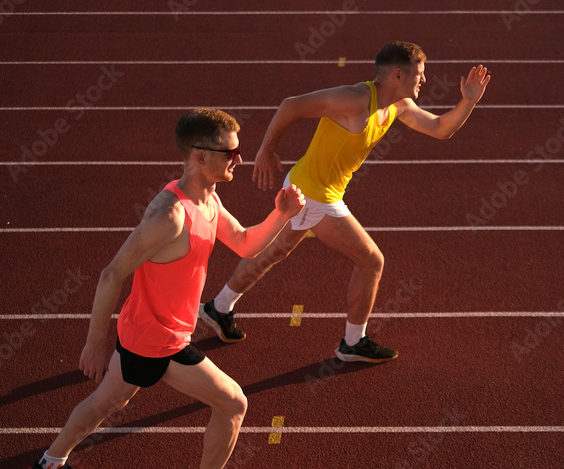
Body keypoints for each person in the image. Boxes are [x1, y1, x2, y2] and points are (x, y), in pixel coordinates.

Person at [26, 108, 306, 469]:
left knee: (108, 401)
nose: (238, 159)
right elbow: (111, 274)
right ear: (199, 156)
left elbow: (246, 244)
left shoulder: (206, 198)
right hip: (158, 341)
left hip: (148, 331)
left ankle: (49, 467)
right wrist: (93, 342)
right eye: (230, 152)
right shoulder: (169, 216)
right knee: (233, 404)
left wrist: (281, 213)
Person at [199, 40, 490, 363]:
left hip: (312, 187)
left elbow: (440, 129)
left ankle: (218, 307)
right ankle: (353, 343)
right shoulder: (355, 100)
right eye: (419, 74)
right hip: (313, 193)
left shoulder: (398, 106)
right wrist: (266, 151)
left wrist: (468, 102)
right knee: (371, 261)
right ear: (397, 75)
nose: (424, 80)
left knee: (273, 252)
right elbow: (291, 105)